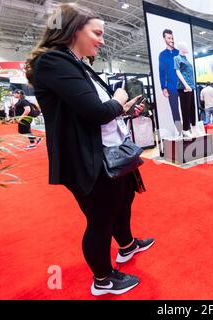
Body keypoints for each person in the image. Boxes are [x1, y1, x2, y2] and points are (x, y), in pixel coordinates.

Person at [25, 3, 154, 296]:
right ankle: (103, 279)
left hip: (108, 152)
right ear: (73, 29)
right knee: (100, 219)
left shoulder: (77, 63)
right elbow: (96, 111)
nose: (102, 40)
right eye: (97, 32)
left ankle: (126, 246)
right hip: (86, 160)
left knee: (123, 200)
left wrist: (124, 109)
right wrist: (119, 99)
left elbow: (94, 112)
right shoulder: (54, 62)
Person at [158, 29, 181, 135]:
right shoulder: (162, 55)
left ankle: (187, 130)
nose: (171, 40)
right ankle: (179, 131)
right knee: (175, 110)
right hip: (171, 87)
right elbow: (161, 72)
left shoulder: (178, 52)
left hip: (183, 86)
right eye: (169, 38)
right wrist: (164, 87)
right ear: (164, 39)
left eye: (172, 38)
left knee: (186, 109)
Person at [174, 41, 196, 138]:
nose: (187, 48)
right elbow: (178, 72)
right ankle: (185, 129)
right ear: (181, 47)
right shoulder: (177, 58)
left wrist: (190, 85)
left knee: (192, 108)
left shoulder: (186, 59)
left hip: (191, 86)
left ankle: (192, 127)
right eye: (186, 46)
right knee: (185, 109)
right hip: (184, 87)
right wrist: (186, 85)